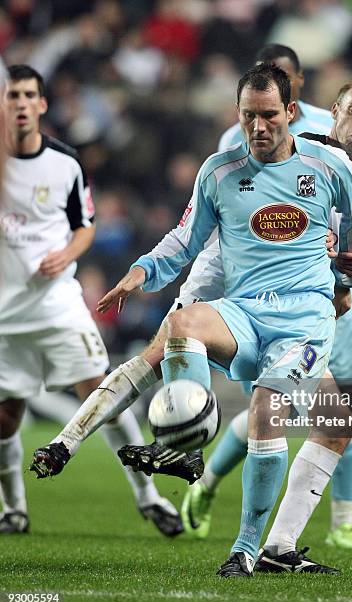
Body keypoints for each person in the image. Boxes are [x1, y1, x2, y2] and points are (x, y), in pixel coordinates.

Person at [31, 63, 352, 576]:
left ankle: (247, 548)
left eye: (269, 116)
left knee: (267, 410)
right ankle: (182, 442)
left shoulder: (332, 169)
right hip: (244, 309)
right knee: (182, 324)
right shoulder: (219, 171)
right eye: (248, 116)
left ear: (292, 113)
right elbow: (185, 239)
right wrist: (141, 270)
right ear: (237, 115)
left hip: (303, 321)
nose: (258, 128)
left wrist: (344, 287)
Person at [182, 71, 352, 554]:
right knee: (278, 411)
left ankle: (295, 537)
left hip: (325, 317)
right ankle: (238, 519)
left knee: (331, 419)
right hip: (263, 313)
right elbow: (237, 228)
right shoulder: (290, 151)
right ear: (334, 109)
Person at [0, 65, 182, 537]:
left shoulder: (64, 163)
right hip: (4, 312)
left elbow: (86, 226)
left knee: (103, 395)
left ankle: (149, 497)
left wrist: (67, 255)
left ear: (41, 105)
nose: (19, 103)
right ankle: (14, 509)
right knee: (5, 416)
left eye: (27, 95)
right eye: (11, 95)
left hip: (56, 305)